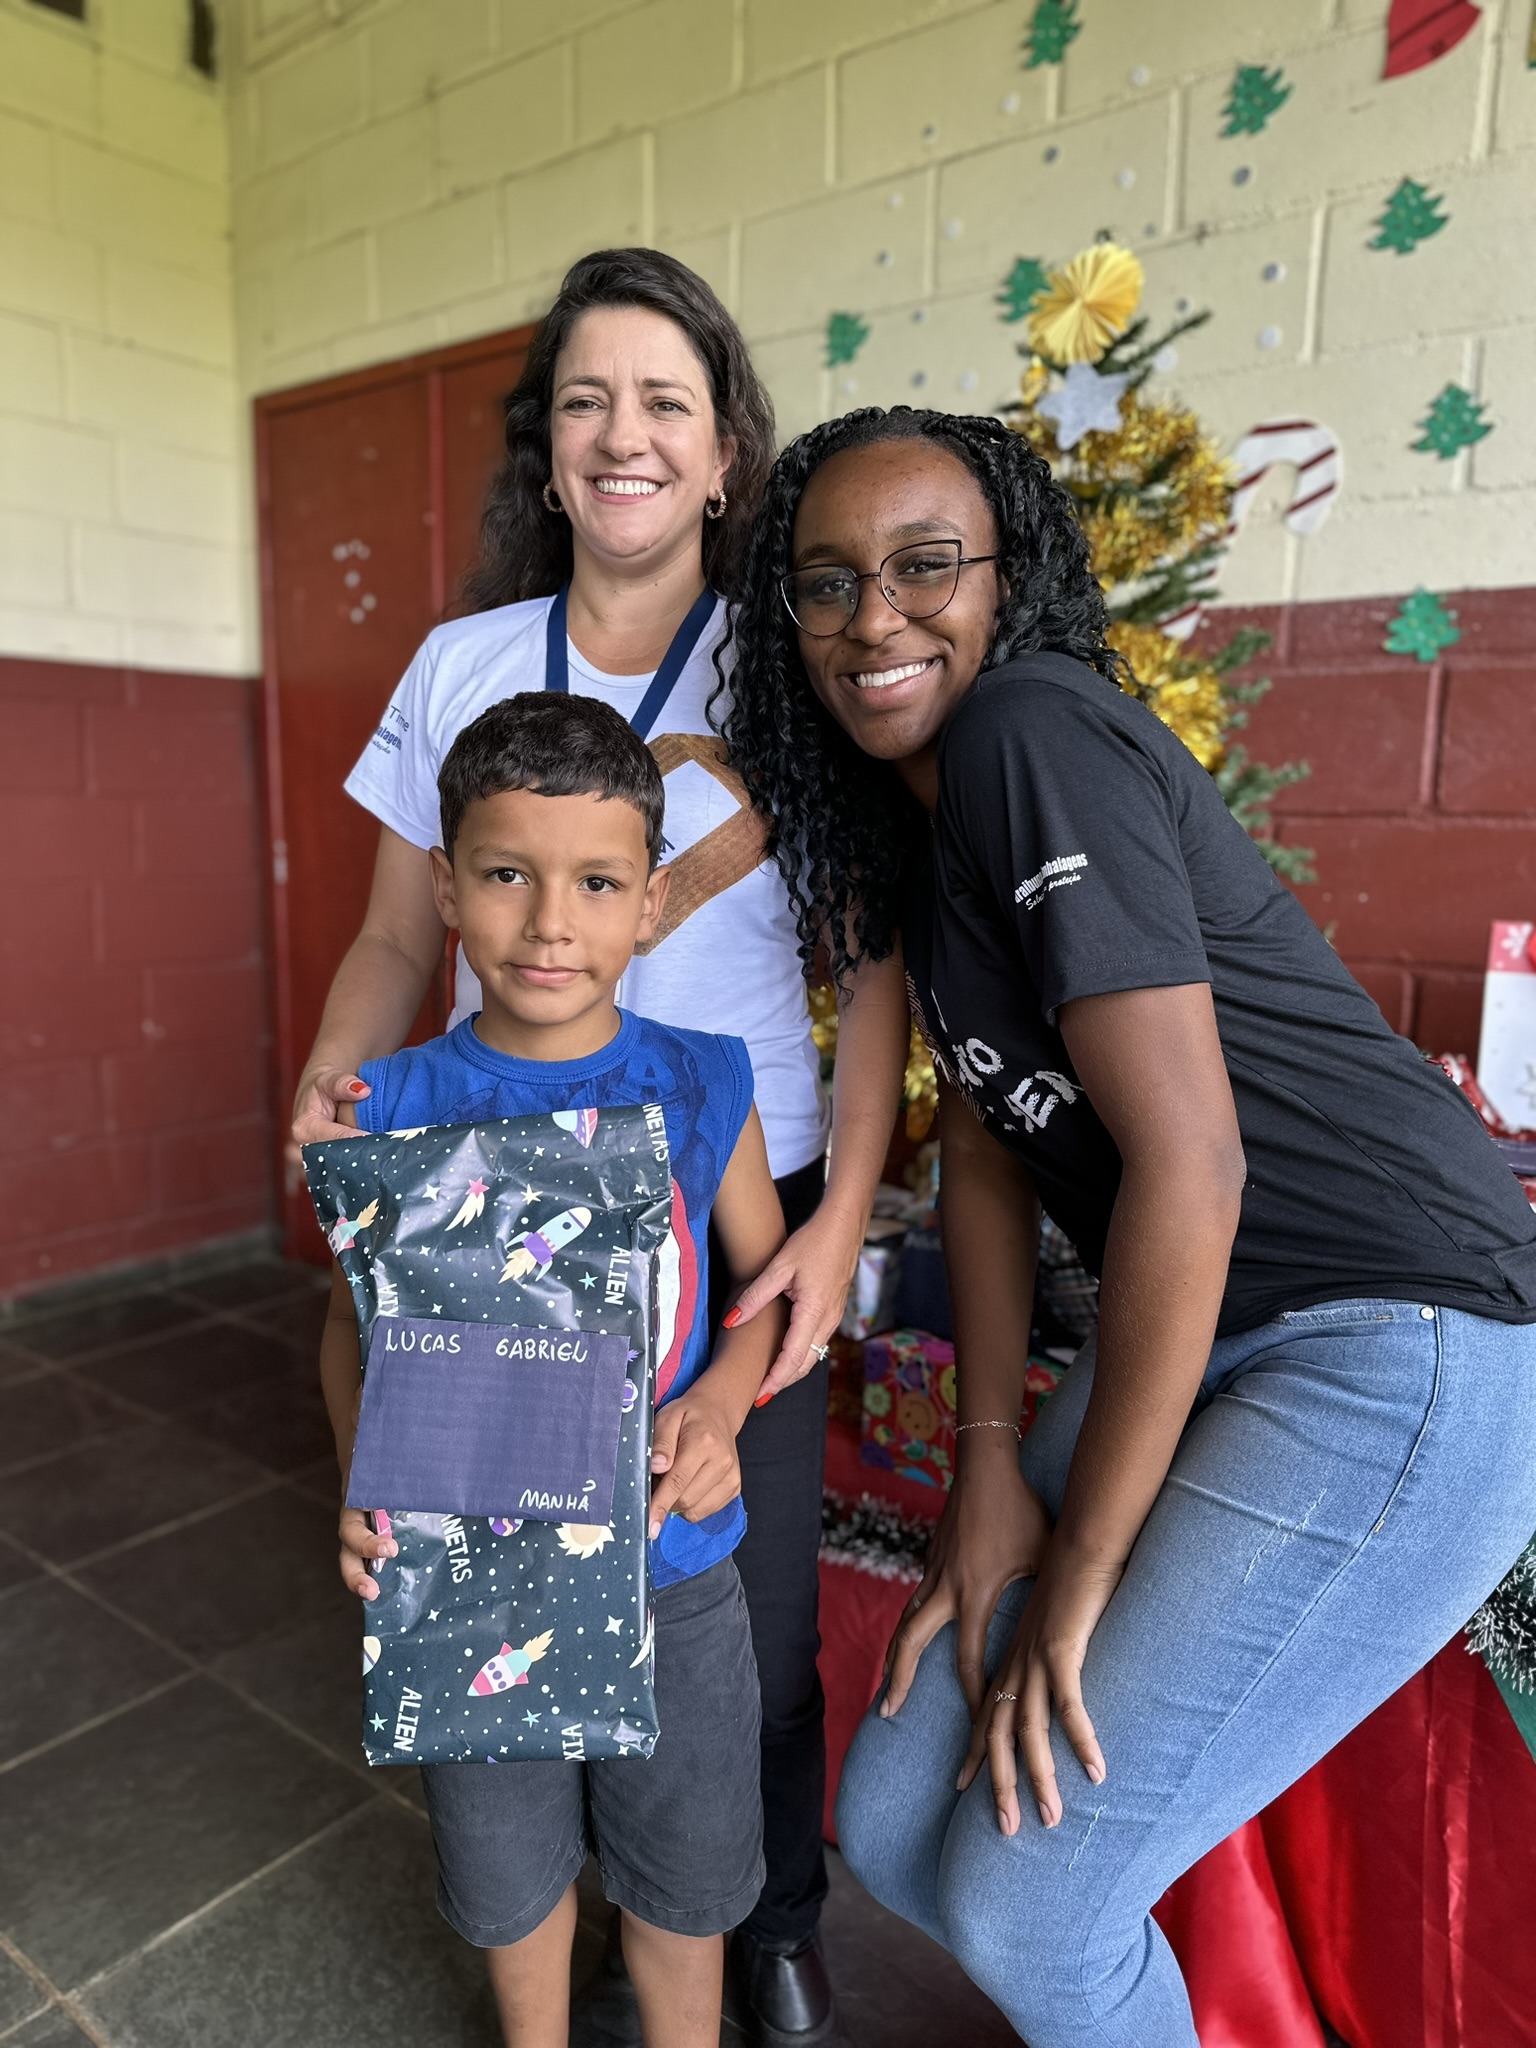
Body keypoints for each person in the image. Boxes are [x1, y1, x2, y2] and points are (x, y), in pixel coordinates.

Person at [718, 404, 1536, 2048]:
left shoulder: (1032, 727)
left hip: (1398, 1341)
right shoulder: (931, 821)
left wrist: (1079, 1568)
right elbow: (999, 1156)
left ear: (1009, 581)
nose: (875, 617)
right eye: (827, 584)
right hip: (1225, 1327)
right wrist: (989, 1468)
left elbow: (1194, 1170)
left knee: (1034, 1902)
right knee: (892, 1822)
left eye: (926, 565)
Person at [295, 251, 908, 2042]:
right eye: (585, 401)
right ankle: (550, 1926)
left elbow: (867, 960)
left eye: (665, 403)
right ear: (546, 448)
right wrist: (335, 1077)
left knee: (743, 1603)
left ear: (726, 453)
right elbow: (396, 940)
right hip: (498, 1183)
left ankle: (756, 1922)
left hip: (739, 1193)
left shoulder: (793, 656)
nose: (621, 435)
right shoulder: (462, 664)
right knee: (512, 1562)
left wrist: (840, 1213)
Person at [320, 693, 792, 2048]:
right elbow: (351, 1329)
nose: (549, 924)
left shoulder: (707, 1084)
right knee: (508, 1866)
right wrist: (358, 1483)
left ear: (650, 903)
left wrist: (719, 1398)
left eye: (596, 883)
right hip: (471, 1571)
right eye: (506, 874)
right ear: (445, 885)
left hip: (674, 1560)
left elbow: (766, 1290)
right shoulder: (393, 1105)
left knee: (685, 1870)